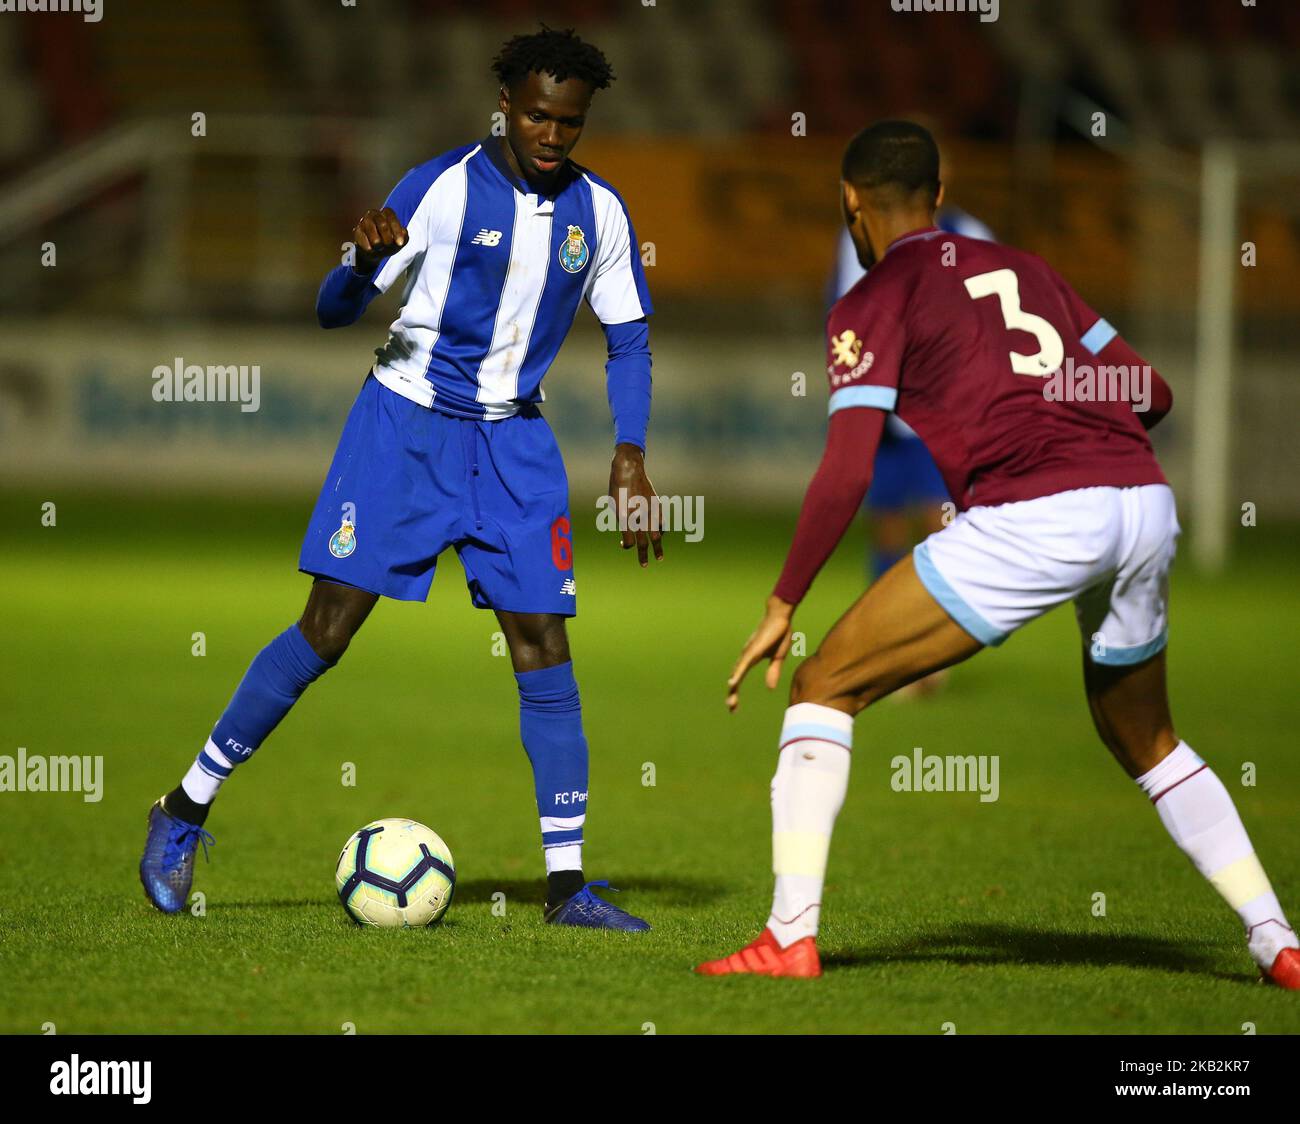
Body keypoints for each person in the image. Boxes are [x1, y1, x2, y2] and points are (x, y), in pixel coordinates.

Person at [697, 120, 1298, 985]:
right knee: (1147, 738)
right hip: (1142, 502)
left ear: (849, 204)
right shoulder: (1027, 268)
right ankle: (1277, 939)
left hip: (1037, 516)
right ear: (940, 199)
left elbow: (846, 468)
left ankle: (790, 937)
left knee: (823, 684)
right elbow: (1152, 391)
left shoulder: (870, 301)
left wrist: (784, 601)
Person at [140, 26, 660, 932]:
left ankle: (568, 886)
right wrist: (362, 263)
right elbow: (331, 312)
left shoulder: (601, 214)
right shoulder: (440, 186)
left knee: (543, 642)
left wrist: (631, 451)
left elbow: (630, 338)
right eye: (536, 114)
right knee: (329, 628)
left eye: (568, 122)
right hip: (405, 426)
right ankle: (182, 811)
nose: (551, 134)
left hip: (514, 444)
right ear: (505, 104)